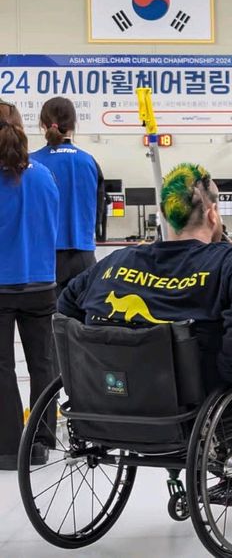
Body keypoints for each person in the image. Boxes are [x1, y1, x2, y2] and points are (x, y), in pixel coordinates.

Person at [58, 163, 232, 391]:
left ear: (164, 215)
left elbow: (66, 303)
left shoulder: (115, 261)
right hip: (188, 406)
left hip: (109, 400)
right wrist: (230, 367)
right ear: (213, 215)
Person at [0, 99, 59, 470]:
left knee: (2, 367)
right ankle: (41, 443)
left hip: (1, 287)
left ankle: (6, 448)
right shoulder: (44, 175)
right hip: (42, 285)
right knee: (43, 364)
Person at [30, 97, 105, 295]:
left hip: (44, 257)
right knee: (80, 323)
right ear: (73, 125)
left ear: (43, 124)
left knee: (46, 324)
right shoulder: (88, 162)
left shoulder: (31, 163)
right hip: (83, 254)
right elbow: (99, 207)